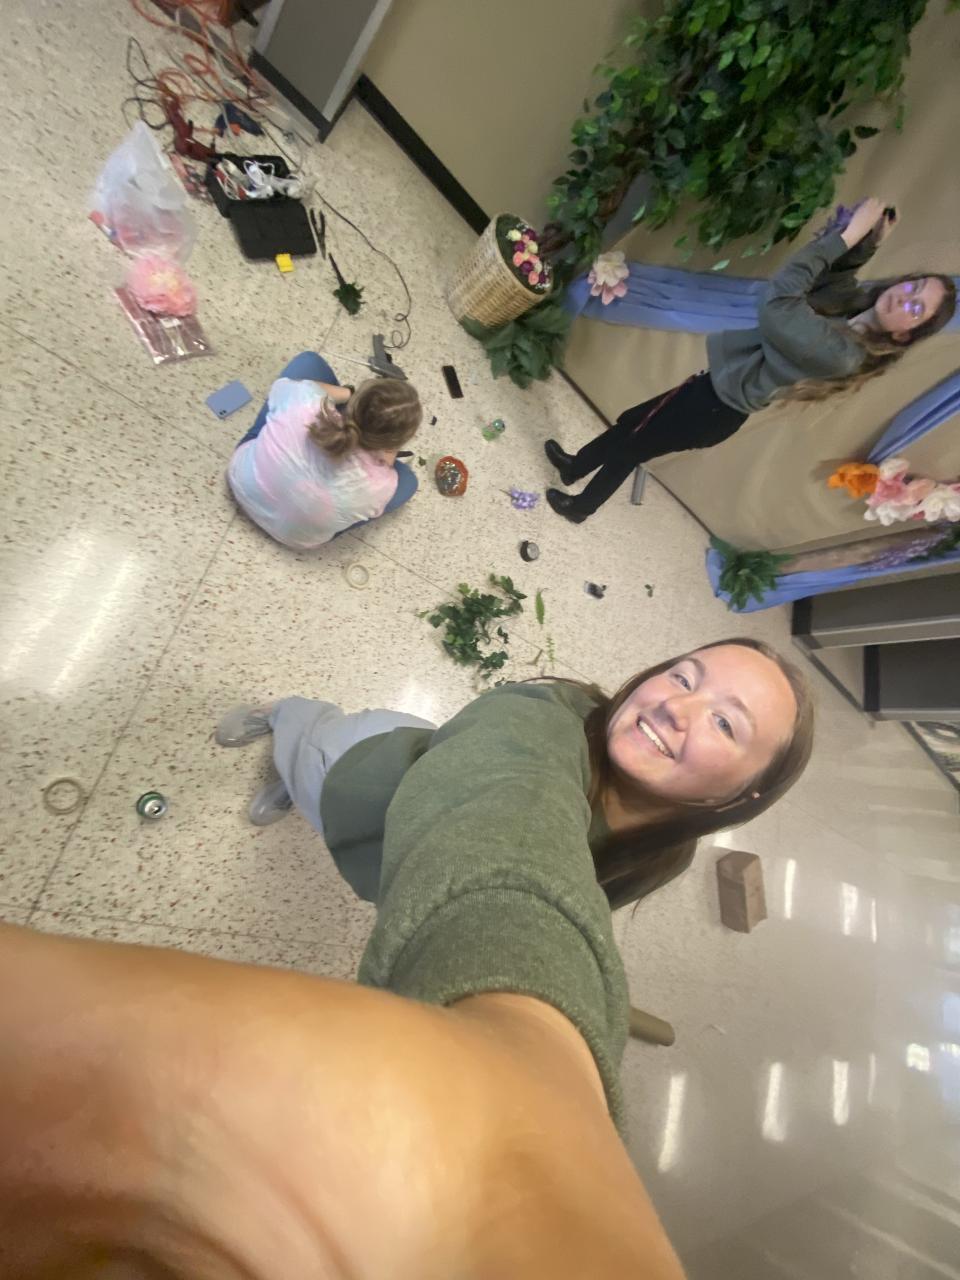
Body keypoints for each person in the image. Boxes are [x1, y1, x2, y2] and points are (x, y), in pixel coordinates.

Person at [215, 636, 813, 909]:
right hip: (354, 773)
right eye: (683, 677)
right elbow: (513, 808)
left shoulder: (665, 855)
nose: (675, 707)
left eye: (725, 723)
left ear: (741, 795)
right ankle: (283, 715)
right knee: (307, 747)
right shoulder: (544, 716)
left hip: (389, 854)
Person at [545, 197, 957, 523]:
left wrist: (846, 237)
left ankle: (582, 507)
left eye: (916, 308)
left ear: (904, 335)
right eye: (913, 286)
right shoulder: (853, 311)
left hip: (714, 409)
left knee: (632, 447)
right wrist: (869, 243)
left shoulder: (844, 354)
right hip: (709, 389)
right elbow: (832, 282)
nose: (904, 297)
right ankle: (575, 466)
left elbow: (779, 301)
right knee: (632, 423)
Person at [227, 350, 423, 549]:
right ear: (393, 445)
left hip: (241, 481)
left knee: (309, 362)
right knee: (408, 482)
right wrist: (387, 457)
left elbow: (289, 387)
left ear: (354, 405)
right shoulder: (382, 485)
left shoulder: (305, 403)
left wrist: (349, 393)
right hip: (293, 537)